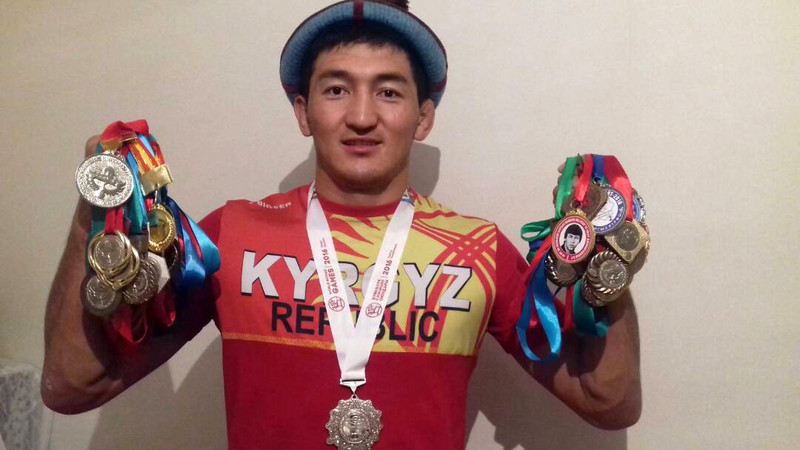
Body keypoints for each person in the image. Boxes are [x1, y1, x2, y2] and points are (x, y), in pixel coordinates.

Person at [42, 1, 641, 449]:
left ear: (423, 118)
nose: (360, 117)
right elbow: (73, 386)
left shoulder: (477, 248)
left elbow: (608, 401)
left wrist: (603, 249)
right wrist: (99, 210)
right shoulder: (230, 235)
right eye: (336, 89)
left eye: (389, 92)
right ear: (303, 113)